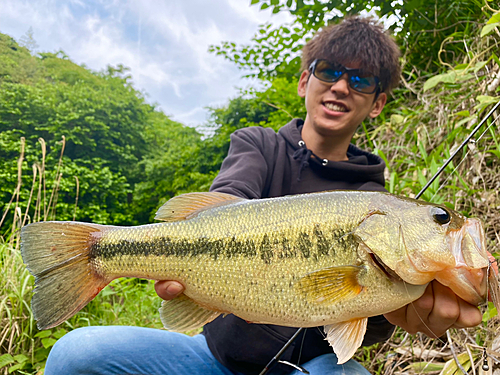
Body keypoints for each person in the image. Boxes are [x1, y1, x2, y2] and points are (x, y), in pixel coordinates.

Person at [44, 16, 482, 375]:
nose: (341, 86)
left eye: (361, 80)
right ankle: (98, 254)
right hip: (210, 356)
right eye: (329, 71)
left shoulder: (374, 196)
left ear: (378, 102)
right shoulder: (258, 145)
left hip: (308, 367)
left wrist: (399, 314)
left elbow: (354, 323)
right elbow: (230, 197)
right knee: (77, 355)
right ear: (304, 81)